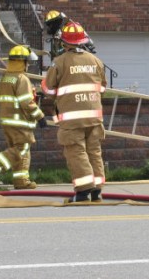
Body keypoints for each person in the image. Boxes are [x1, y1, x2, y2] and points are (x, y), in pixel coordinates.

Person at [42, 22, 107, 203]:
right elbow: (102, 88)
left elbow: (48, 90)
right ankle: (97, 191)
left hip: (72, 119)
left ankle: (83, 191)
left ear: (64, 42)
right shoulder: (96, 61)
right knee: (94, 151)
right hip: (94, 117)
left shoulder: (60, 62)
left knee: (76, 152)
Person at [0, 45, 46, 190]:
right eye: (27, 62)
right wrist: (40, 116)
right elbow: (26, 102)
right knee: (20, 149)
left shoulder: (6, 77)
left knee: (21, 150)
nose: (28, 65)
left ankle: (21, 181)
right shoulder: (21, 78)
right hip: (19, 121)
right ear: (22, 62)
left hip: (8, 120)